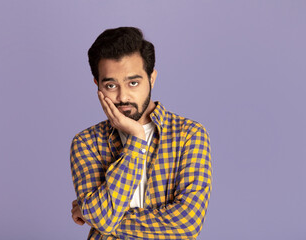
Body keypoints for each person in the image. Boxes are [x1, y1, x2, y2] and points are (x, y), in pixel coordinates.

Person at [70, 27, 212, 240]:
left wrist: (96, 215)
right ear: (97, 85)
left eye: (133, 83)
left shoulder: (189, 135)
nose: (122, 96)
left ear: (152, 78)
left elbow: (186, 225)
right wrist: (137, 139)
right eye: (110, 85)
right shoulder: (87, 142)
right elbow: (102, 218)